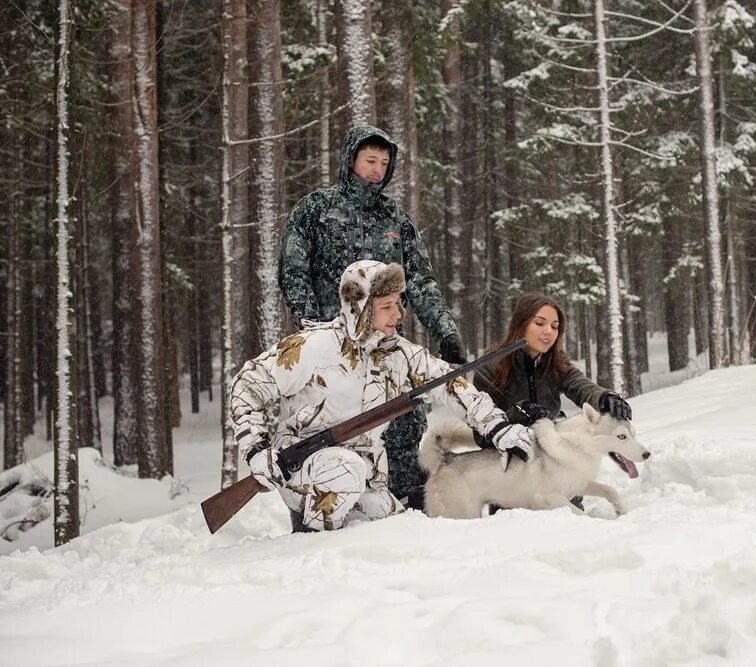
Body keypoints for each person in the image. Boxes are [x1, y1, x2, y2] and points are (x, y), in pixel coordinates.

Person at [230, 260, 534, 533]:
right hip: (302, 470)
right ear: (360, 307)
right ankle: (311, 547)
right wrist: (257, 449)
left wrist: (498, 427)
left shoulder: (398, 353)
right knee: (346, 471)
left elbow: (451, 384)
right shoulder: (313, 347)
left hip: (366, 476)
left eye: (398, 303)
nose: (398, 314)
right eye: (387, 306)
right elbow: (247, 385)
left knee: (398, 535)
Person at [278, 125, 467, 509]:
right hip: (333, 348)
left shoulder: (394, 218)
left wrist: (444, 330)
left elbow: (420, 280)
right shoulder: (316, 209)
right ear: (350, 160)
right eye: (370, 161)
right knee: (331, 430)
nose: (377, 170)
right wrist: (310, 324)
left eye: (384, 162)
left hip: (385, 344)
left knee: (403, 421)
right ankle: (324, 509)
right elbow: (292, 269)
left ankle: (408, 508)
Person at [473, 294, 633, 509]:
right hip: (514, 478)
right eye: (540, 323)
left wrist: (604, 397)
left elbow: (579, 385)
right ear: (521, 324)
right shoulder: (490, 366)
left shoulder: (556, 361)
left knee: (572, 531)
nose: (549, 331)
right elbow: (480, 432)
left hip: (559, 471)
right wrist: (514, 415)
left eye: (555, 326)